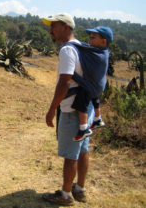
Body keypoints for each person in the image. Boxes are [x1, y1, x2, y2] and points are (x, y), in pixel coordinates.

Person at [42, 13, 94, 206]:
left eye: (53, 26)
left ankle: (65, 195)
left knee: (71, 154)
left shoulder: (67, 50)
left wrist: (52, 109)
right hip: (85, 108)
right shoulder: (83, 48)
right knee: (82, 150)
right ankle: (80, 189)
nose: (51, 31)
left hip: (72, 109)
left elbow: (64, 82)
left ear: (65, 27)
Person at [72, 26, 113, 141]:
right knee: (95, 98)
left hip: (91, 87)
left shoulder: (95, 54)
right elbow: (85, 46)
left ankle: (83, 128)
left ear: (103, 41)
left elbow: (81, 48)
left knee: (81, 102)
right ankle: (97, 118)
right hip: (99, 85)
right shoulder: (103, 51)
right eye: (89, 37)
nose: (89, 40)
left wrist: (70, 43)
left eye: (93, 38)